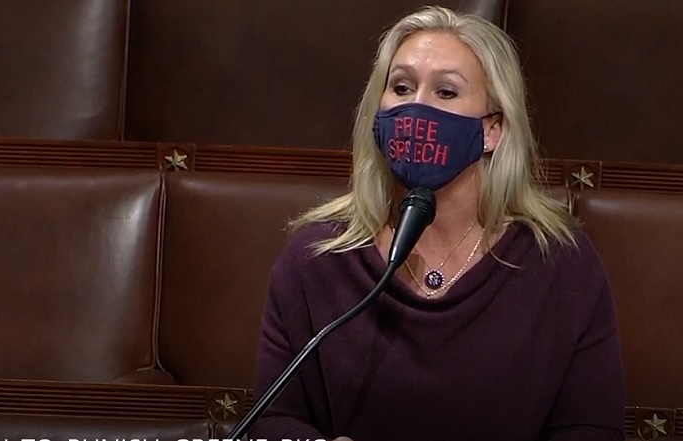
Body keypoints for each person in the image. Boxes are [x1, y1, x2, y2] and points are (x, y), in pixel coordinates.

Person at [248, 5, 625, 441]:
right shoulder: (315, 259)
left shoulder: (561, 264)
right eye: (402, 86)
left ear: (493, 130)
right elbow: (274, 419)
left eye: (446, 92)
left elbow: (591, 430)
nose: (416, 108)